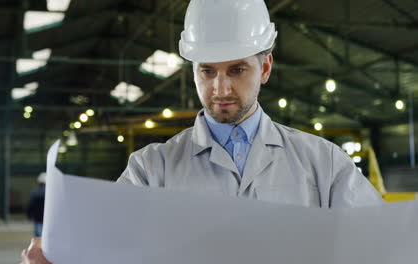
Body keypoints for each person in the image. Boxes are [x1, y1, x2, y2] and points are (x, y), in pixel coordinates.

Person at [21, 0, 383, 262]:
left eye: (238, 70)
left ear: (266, 67)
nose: (221, 89)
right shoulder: (151, 169)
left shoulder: (323, 163)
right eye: (207, 71)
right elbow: (107, 250)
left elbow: (379, 246)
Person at [27, 172, 46, 237]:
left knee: (38, 237)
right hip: (47, 219)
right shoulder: (50, 193)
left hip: (37, 218)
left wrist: (29, 215)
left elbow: (30, 205)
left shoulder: (34, 193)